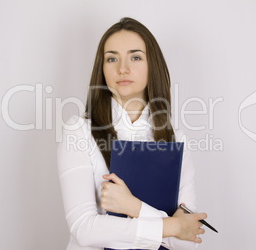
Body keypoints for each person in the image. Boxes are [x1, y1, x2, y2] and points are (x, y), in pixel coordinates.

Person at [57, 17, 207, 250]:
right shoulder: (79, 131)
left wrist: (134, 208)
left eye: (135, 57)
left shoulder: (176, 139)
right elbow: (84, 229)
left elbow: (187, 243)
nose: (122, 68)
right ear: (102, 68)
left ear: (152, 65)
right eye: (112, 58)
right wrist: (172, 226)